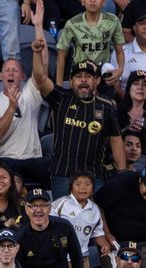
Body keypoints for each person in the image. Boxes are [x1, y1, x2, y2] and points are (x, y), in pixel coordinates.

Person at [31, 37, 125, 198]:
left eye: (88, 76)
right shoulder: (61, 98)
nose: (83, 80)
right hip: (62, 175)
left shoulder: (107, 106)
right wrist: (37, 53)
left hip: (94, 177)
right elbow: (40, 79)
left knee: (92, 220)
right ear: (72, 80)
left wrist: (122, 175)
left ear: (97, 80)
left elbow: (116, 142)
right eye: (78, 76)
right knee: (62, 221)